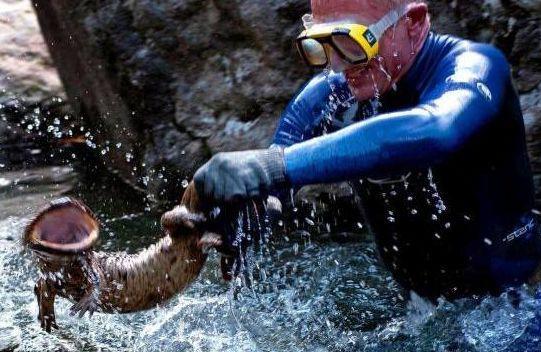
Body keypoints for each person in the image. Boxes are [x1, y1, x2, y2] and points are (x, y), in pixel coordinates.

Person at [193, 0, 540, 300]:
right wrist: (239, 222)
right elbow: (273, 187)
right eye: (322, 46)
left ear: (414, 22)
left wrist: (273, 166)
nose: (338, 66)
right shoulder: (330, 97)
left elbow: (436, 130)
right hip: (423, 315)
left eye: (351, 43)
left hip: (519, 307)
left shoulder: (477, 66)